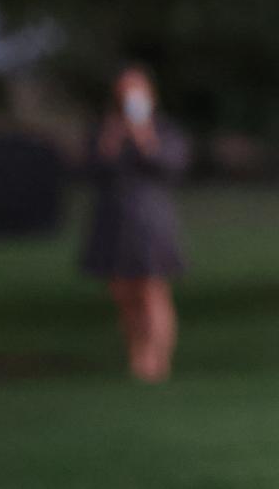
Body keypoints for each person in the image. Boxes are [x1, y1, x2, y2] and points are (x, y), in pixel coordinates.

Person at [81, 65, 190, 382]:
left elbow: (171, 166)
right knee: (123, 290)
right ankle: (138, 355)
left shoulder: (164, 129)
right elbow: (91, 170)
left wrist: (144, 137)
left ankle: (159, 361)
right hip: (114, 219)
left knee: (152, 288)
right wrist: (111, 140)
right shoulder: (106, 129)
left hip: (150, 221)